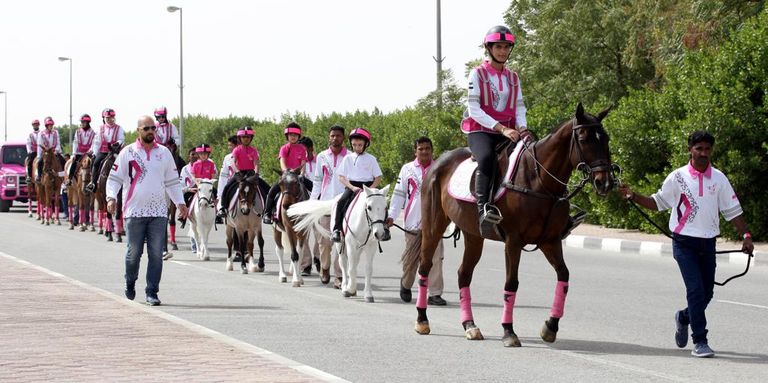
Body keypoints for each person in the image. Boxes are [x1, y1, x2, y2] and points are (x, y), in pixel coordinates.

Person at [618, 131, 754, 358]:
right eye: (699, 149)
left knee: (707, 293)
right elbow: (657, 203)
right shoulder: (677, 177)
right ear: (690, 150)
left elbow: (733, 212)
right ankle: (700, 341)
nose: (703, 153)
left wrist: (746, 236)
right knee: (695, 289)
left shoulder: (719, 179)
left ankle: (683, 317)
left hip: (708, 242)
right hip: (683, 243)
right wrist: (634, 196)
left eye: (707, 149)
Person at [106, 115, 187, 306]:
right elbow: (115, 178)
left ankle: (152, 291)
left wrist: (180, 202)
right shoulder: (128, 152)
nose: (151, 131)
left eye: (153, 128)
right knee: (134, 253)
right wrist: (111, 197)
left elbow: (172, 182)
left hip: (159, 212)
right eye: (146, 128)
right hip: (134, 212)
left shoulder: (164, 153)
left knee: (156, 254)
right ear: (138, 131)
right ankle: (130, 280)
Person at [462, 25, 531, 238]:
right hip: (481, 130)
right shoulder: (477, 74)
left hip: (510, 130)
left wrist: (523, 127)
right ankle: (484, 208)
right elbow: (474, 109)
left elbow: (519, 107)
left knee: (532, 156)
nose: (502, 51)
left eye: (506, 47)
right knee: (486, 159)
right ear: (489, 48)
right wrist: (502, 129)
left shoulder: (513, 77)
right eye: (498, 47)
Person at [386, 136, 446, 305]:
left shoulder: (439, 168)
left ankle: (435, 293)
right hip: (412, 221)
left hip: (435, 222)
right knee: (411, 260)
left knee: (435, 258)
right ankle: (405, 285)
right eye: (421, 149)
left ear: (432, 150)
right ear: (415, 151)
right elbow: (399, 194)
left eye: (427, 148)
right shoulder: (407, 169)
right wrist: (391, 215)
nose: (424, 151)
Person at [310, 125, 348, 286]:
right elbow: (318, 180)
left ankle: (339, 276)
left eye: (338, 136)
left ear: (343, 138)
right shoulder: (322, 156)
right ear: (329, 137)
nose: (335, 138)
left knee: (343, 242)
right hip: (326, 204)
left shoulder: (350, 157)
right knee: (324, 242)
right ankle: (324, 268)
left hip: (344, 204)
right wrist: (313, 202)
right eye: (332, 135)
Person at [331, 127, 382, 243]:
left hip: (369, 186)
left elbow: (378, 177)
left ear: (365, 144)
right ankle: (337, 229)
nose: (357, 147)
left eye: (360, 145)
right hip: (352, 186)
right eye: (354, 145)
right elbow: (341, 176)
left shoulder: (371, 159)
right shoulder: (348, 158)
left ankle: (384, 228)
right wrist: (352, 187)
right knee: (341, 202)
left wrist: (370, 189)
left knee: (380, 202)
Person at [263, 122, 308, 225]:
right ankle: (267, 213)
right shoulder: (284, 148)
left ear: (298, 136)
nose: (293, 137)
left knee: (314, 188)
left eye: (295, 135)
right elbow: (282, 161)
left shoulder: (302, 148)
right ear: (287, 136)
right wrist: (285, 172)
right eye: (291, 135)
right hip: (286, 176)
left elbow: (303, 163)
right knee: (271, 191)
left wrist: (302, 173)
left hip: (297, 176)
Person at [219, 126, 269, 217]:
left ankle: (268, 211)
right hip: (239, 174)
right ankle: (222, 208)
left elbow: (256, 163)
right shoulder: (236, 150)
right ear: (240, 138)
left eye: (248, 137)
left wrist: (256, 173)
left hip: (251, 174)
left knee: (267, 188)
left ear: (251, 138)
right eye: (243, 137)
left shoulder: (254, 150)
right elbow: (232, 162)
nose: (246, 139)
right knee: (227, 188)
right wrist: (237, 172)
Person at [86, 108, 124, 193]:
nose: (110, 120)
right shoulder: (100, 128)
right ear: (104, 118)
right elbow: (97, 142)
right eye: (107, 118)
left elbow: (121, 139)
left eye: (111, 118)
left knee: (123, 163)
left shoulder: (119, 128)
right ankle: (93, 183)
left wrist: (117, 143)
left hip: (114, 151)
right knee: (95, 163)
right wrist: (95, 154)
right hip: (103, 151)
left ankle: (126, 182)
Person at [67, 114, 96, 186]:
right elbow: (75, 142)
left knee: (94, 163)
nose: (82, 124)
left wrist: (90, 152)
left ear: (88, 123)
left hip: (89, 154)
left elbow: (94, 143)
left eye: (83, 122)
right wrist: (74, 154)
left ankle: (94, 180)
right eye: (81, 122)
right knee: (74, 162)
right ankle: (69, 179)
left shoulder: (93, 133)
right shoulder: (78, 131)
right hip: (79, 153)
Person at [35, 117, 66, 182]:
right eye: (49, 125)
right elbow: (40, 144)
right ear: (46, 126)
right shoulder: (41, 133)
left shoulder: (56, 132)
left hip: (54, 152)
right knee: (40, 162)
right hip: (45, 152)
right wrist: (39, 155)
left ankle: (64, 177)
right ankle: (39, 176)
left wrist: (57, 150)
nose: (51, 126)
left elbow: (58, 142)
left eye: (51, 125)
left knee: (63, 160)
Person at [216, 135, 239, 223]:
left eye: (231, 145)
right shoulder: (227, 158)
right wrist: (219, 194)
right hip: (232, 181)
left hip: (245, 179)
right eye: (228, 145)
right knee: (226, 190)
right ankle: (222, 208)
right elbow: (223, 176)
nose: (229, 147)